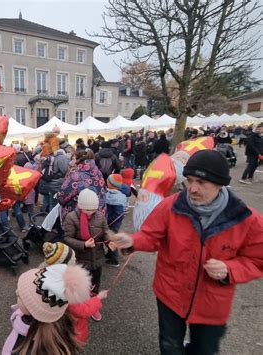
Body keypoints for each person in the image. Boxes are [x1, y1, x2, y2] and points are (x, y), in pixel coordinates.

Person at [110, 150, 263, 355]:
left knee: (204, 350)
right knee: (170, 346)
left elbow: (257, 259)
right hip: (170, 294)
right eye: (189, 180)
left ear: (220, 183)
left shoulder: (245, 218)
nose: (192, 188)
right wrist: (132, 240)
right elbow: (152, 235)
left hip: (212, 303)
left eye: (201, 182)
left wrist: (230, 269)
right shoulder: (171, 205)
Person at [2, 263, 91, 355]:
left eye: (20, 296)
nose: (16, 292)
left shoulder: (23, 349)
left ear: (35, 310)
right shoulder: (61, 328)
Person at [40, 242, 108, 344]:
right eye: (74, 258)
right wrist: (98, 298)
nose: (76, 259)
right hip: (71, 331)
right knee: (71, 344)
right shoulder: (66, 290)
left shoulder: (47, 278)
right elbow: (83, 311)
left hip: (55, 326)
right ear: (65, 265)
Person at [63, 188, 108, 321]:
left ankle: (93, 306)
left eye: (93, 209)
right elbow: (67, 239)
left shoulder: (100, 216)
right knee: (81, 286)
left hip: (97, 258)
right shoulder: (71, 217)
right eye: (87, 210)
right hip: (80, 259)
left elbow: (106, 232)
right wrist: (84, 245)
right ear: (80, 206)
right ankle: (80, 307)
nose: (91, 212)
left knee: (95, 283)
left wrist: (110, 242)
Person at [57, 149, 106, 222]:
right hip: (99, 213)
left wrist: (58, 196)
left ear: (77, 159)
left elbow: (62, 197)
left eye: (73, 157)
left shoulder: (76, 175)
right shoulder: (98, 172)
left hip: (80, 216)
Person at [104, 174, 129, 267]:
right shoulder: (118, 193)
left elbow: (119, 214)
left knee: (111, 239)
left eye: (108, 181)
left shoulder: (115, 197)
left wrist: (109, 221)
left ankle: (114, 260)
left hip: (112, 223)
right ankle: (110, 254)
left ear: (111, 184)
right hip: (112, 222)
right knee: (109, 239)